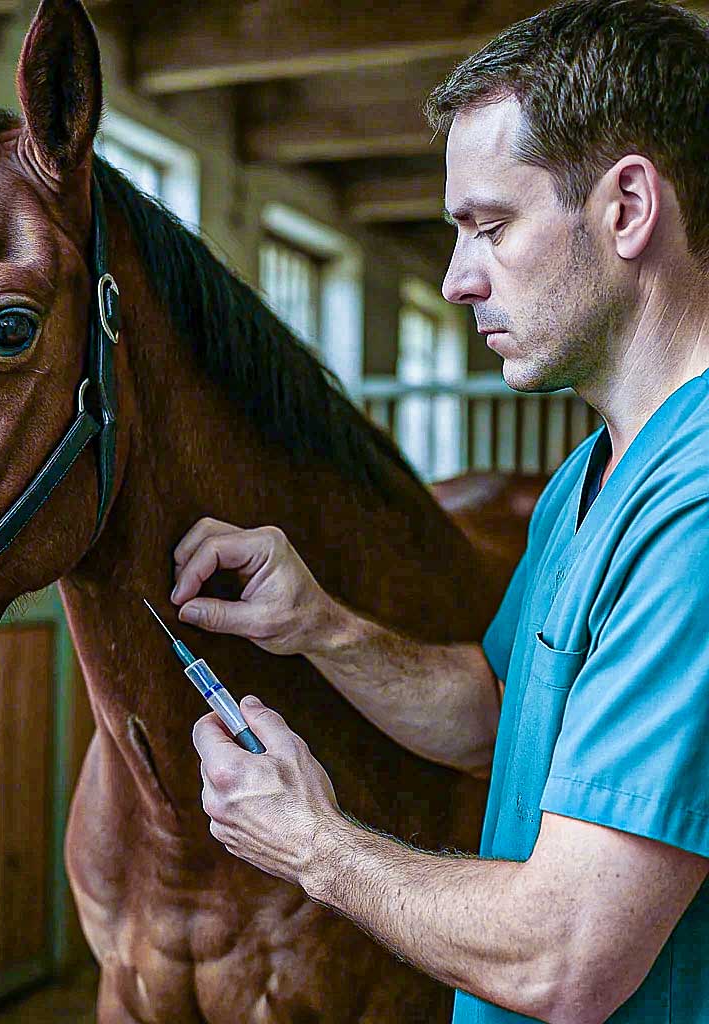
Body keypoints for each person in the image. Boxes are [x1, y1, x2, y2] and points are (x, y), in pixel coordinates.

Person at [170, 1, 709, 1020]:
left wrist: (313, 844)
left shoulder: (697, 513)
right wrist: (319, 625)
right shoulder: (590, 472)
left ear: (628, 207)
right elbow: (500, 716)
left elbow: (566, 956)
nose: (461, 279)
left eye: (490, 226)